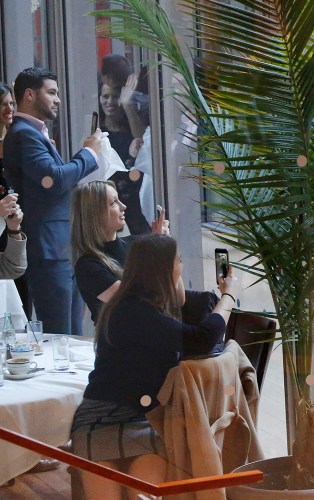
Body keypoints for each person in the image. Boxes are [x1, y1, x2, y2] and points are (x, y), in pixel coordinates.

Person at [70, 233, 239, 500]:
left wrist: (169, 253)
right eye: (179, 263)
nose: (182, 267)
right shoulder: (135, 311)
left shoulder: (144, 304)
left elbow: (183, 302)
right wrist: (228, 295)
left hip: (145, 419)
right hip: (101, 420)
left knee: (143, 494)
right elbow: (204, 338)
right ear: (163, 270)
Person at [3, 67, 102, 335]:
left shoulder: (35, 132)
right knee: (59, 334)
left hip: (60, 246)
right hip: (47, 249)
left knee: (70, 333)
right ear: (29, 95)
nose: (58, 99)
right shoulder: (24, 133)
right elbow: (54, 180)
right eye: (52, 92)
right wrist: (88, 155)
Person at [71, 180, 168, 325]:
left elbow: (176, 297)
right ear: (95, 213)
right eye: (113, 203)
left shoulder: (138, 245)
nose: (123, 206)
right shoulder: (88, 266)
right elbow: (137, 304)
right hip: (121, 344)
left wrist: (166, 248)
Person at [98, 81, 150, 234]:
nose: (110, 101)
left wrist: (128, 105)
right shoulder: (98, 130)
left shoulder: (130, 125)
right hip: (110, 199)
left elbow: (142, 141)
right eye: (105, 96)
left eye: (115, 97)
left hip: (135, 197)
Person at [0, 82, 32, 315]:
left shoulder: (18, 140)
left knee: (22, 295)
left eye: (11, 103)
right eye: (2, 104)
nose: (8, 109)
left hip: (17, 226)